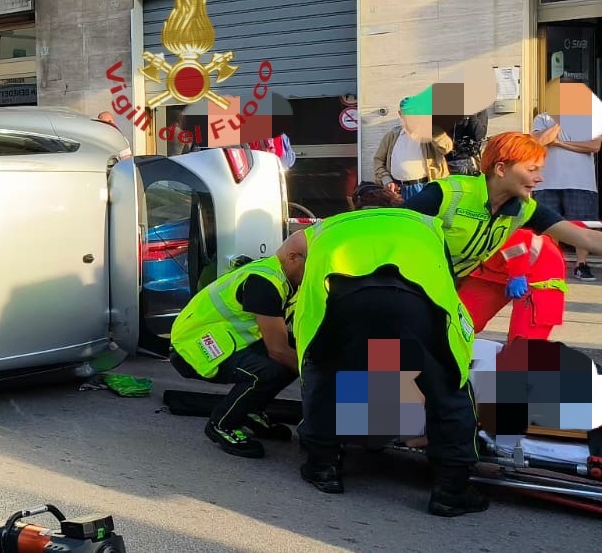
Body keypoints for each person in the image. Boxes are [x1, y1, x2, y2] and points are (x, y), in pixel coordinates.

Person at [289, 208, 488, 516]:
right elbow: (447, 283)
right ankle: (451, 489)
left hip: (342, 297)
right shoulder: (427, 224)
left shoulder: (325, 227)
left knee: (324, 373)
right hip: (416, 297)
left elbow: (287, 262)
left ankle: (323, 468)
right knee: (447, 385)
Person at [168, 232, 306, 458]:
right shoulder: (265, 283)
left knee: (295, 353)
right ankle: (223, 425)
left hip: (225, 341)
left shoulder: (285, 277)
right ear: (293, 257)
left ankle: (250, 410)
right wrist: (319, 379)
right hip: (194, 349)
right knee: (270, 369)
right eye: (313, 264)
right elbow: (278, 351)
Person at [400, 131, 602, 281]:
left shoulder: (524, 208)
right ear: (501, 169)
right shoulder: (448, 193)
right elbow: (390, 228)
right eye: (532, 170)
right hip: (397, 282)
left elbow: (586, 237)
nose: (539, 178)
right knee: (386, 338)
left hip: (443, 286)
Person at [457, 228, 566, 342]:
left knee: (524, 342)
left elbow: (512, 235)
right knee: (456, 324)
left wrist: (517, 273)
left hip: (541, 264)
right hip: (492, 267)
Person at [531, 106, 602, 281]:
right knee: (548, 225)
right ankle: (551, 262)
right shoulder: (543, 118)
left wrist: (559, 143)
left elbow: (594, 145)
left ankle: (581, 264)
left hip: (580, 181)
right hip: (547, 181)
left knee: (581, 225)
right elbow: (539, 141)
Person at [373, 101, 451, 200]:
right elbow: (378, 160)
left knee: (425, 215)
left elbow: (446, 148)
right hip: (398, 190)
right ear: (401, 114)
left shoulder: (430, 133)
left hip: (426, 187)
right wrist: (387, 181)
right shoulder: (392, 136)